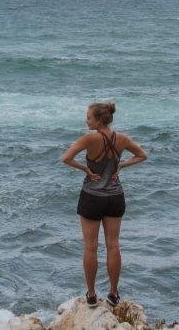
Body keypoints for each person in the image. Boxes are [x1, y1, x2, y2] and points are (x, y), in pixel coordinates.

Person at [60, 100, 148, 307]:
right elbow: (142, 155)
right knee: (113, 246)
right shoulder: (122, 138)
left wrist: (86, 170)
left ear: (99, 120)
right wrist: (121, 165)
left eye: (89, 117)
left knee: (90, 247)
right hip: (115, 197)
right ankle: (114, 294)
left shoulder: (90, 138)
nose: (86, 121)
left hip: (92, 196)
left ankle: (91, 295)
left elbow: (66, 158)